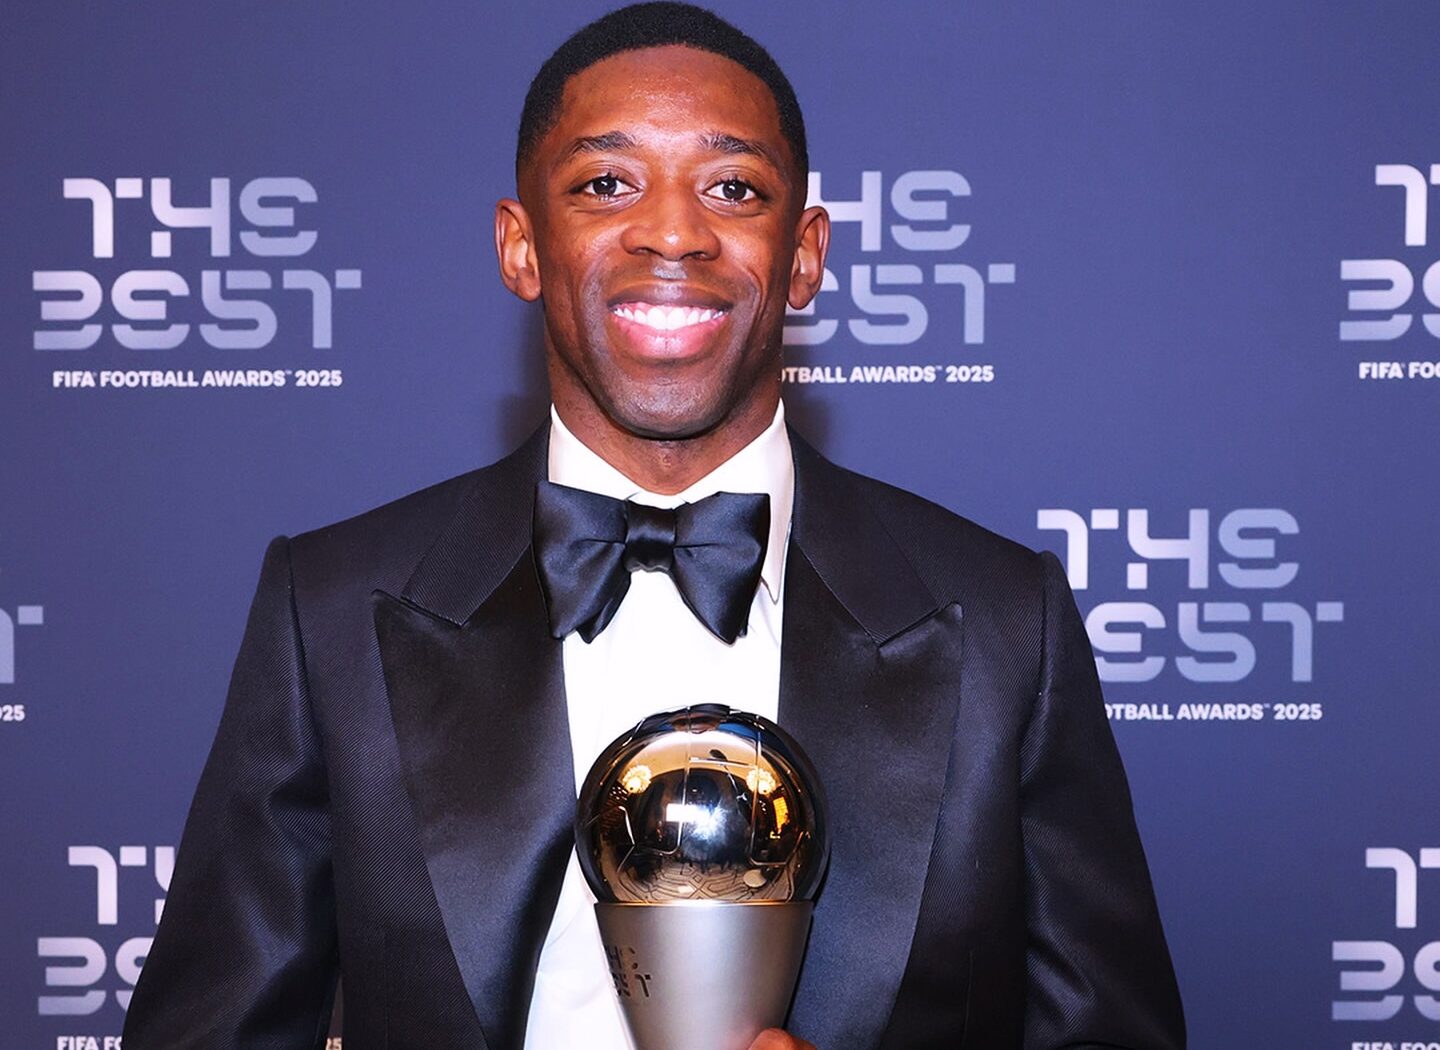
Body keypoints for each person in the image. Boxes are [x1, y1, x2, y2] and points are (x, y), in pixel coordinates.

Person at [123, 4, 1185, 1048]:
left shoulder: (1004, 623)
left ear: (805, 254)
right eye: (605, 184)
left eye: (733, 187)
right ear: (521, 246)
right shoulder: (332, 611)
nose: (673, 232)